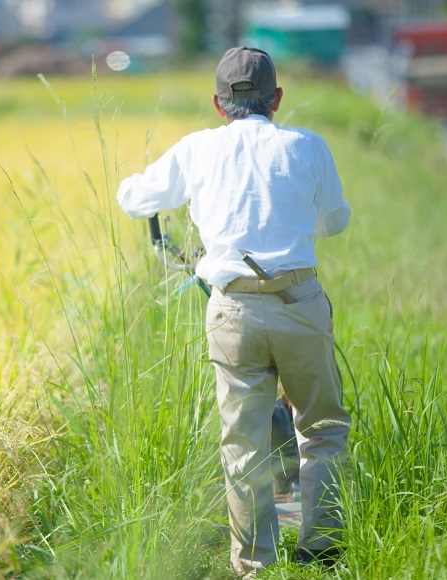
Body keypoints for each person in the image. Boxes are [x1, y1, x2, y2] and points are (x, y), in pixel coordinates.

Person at [116, 47, 351, 577]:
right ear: (278, 99)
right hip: (299, 302)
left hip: (231, 309)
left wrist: (152, 190)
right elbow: (333, 222)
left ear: (219, 105)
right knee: (323, 427)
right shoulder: (307, 146)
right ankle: (323, 551)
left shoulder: (196, 150)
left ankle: (254, 566)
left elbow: (133, 198)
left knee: (243, 446)